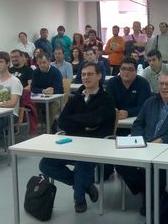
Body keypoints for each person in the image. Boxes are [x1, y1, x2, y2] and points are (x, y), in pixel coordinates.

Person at [116, 69, 168, 224]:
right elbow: (138, 123)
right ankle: (150, 195)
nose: (164, 87)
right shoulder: (151, 101)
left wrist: (163, 139)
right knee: (119, 163)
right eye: (161, 84)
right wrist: (138, 138)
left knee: (153, 175)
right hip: (144, 146)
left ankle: (160, 222)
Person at [39, 62, 116, 213]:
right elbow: (62, 121)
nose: (86, 77)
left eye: (90, 74)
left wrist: (75, 121)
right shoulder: (75, 97)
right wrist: (85, 124)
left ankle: (79, 199)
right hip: (72, 143)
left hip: (95, 145)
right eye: (83, 74)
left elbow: (96, 120)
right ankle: (85, 185)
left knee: (82, 164)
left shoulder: (106, 98)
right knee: (45, 164)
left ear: (99, 76)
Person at [31, 52, 64, 132]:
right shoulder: (36, 72)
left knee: (50, 108)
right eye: (40, 63)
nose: (42, 65)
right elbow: (33, 88)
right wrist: (43, 91)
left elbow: (56, 90)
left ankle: (48, 130)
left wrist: (48, 91)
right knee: (32, 108)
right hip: (42, 98)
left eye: (44, 62)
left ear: (49, 61)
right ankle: (35, 130)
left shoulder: (56, 72)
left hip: (57, 99)